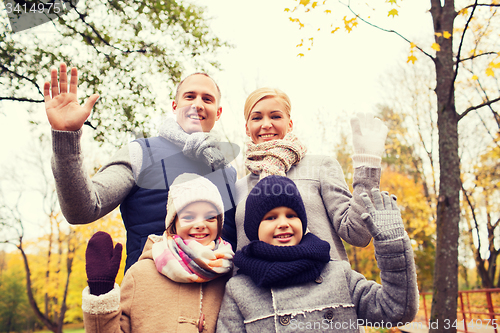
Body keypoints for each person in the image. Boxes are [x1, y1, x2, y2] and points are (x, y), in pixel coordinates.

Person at [43, 63, 238, 271]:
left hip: (216, 300)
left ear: (218, 112)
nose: (197, 104)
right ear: (175, 106)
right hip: (150, 293)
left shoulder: (228, 172)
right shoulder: (141, 153)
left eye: (207, 99)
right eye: (189, 96)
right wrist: (66, 138)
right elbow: (82, 210)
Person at [217, 175, 419, 332]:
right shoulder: (239, 289)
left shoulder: (338, 274)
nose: (284, 223)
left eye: (291, 215)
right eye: (270, 218)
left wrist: (392, 247)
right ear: (254, 229)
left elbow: (396, 310)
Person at [234, 87, 389, 260]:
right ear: (247, 128)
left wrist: (367, 164)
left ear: (290, 124)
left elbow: (357, 233)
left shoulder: (320, 167)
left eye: (275, 116)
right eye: (257, 118)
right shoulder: (238, 188)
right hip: (261, 286)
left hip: (324, 283)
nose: (266, 124)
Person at [82, 174, 234, 332]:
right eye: (188, 217)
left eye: (210, 217)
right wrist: (101, 292)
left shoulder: (229, 272)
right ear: (173, 223)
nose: (200, 224)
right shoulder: (139, 274)